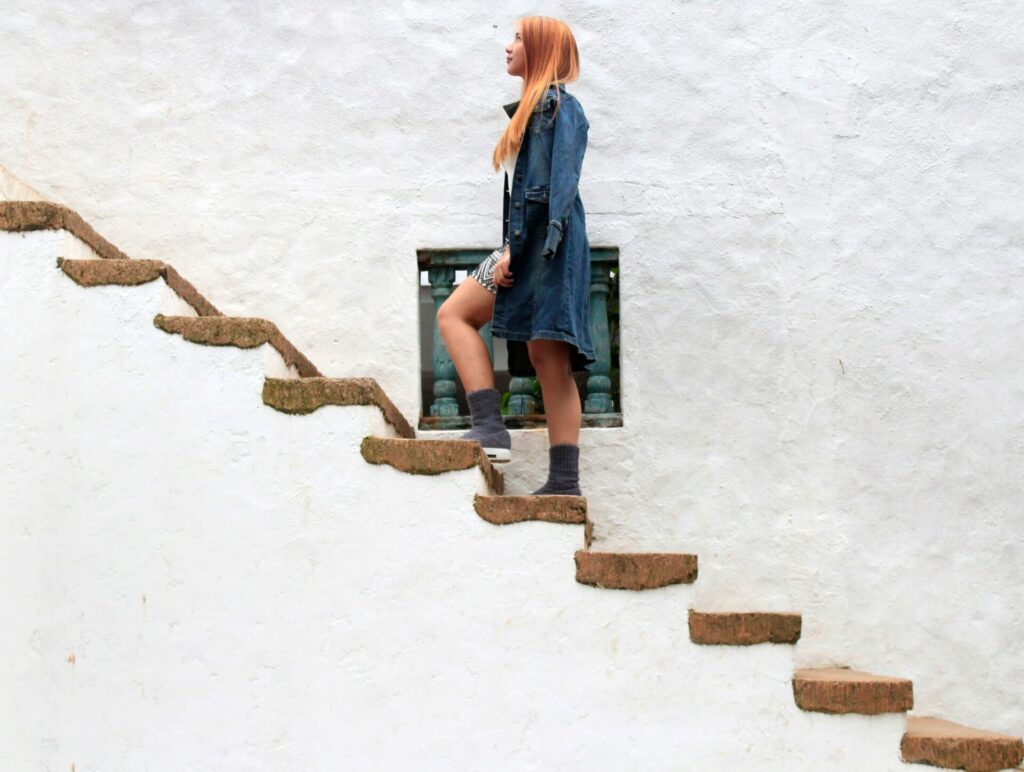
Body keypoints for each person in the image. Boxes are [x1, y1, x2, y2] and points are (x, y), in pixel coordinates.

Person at [436, 16, 595, 496]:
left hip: (549, 245)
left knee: (549, 356)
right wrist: (514, 247)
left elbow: (557, 191)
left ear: (542, 49)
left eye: (519, 39)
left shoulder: (559, 110)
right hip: (528, 242)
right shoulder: (530, 112)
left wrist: (524, 251)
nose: (508, 47)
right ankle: (489, 426)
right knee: (454, 314)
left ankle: (564, 481)